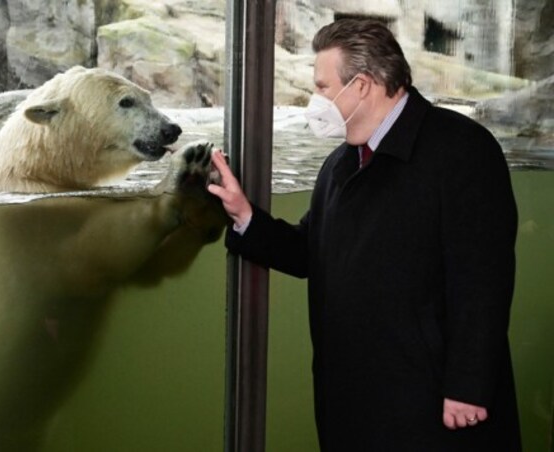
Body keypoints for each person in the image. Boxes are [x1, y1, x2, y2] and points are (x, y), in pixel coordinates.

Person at [208, 19, 521, 451]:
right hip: (353, 403)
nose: (315, 102)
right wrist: (244, 214)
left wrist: (468, 385)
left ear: (363, 85)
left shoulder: (461, 148)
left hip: (432, 407)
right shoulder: (340, 163)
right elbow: (311, 251)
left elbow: (483, 277)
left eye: (322, 87)